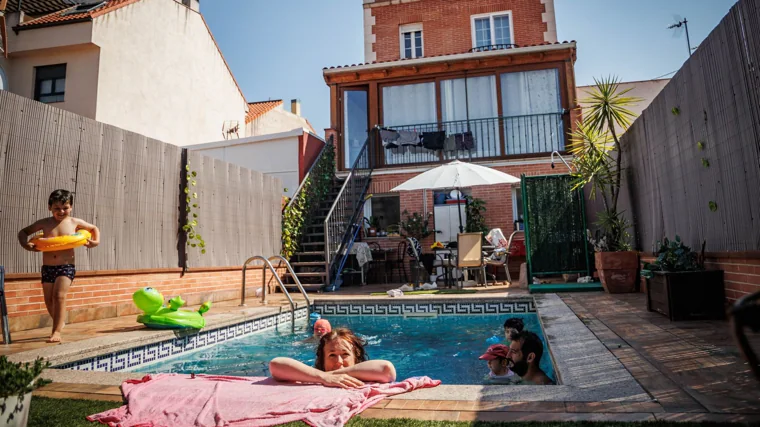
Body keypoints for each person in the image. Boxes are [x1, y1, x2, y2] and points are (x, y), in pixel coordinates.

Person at [17, 189, 100, 343]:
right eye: (57, 208)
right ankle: (59, 322)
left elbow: (94, 228)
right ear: (50, 207)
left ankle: (56, 332)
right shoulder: (44, 223)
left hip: (66, 266)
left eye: (65, 208)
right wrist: (26, 244)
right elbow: (23, 232)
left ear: (71, 207)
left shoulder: (75, 222)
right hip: (48, 267)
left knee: (59, 296)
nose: (61, 211)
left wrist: (95, 242)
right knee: (48, 299)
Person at [270, 328, 396, 388]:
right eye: (332, 355)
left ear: (356, 356)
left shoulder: (367, 373)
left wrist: (332, 374)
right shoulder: (314, 375)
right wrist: (324, 377)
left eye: (345, 354)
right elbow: (275, 364)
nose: (339, 362)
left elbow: (387, 369)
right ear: (322, 359)